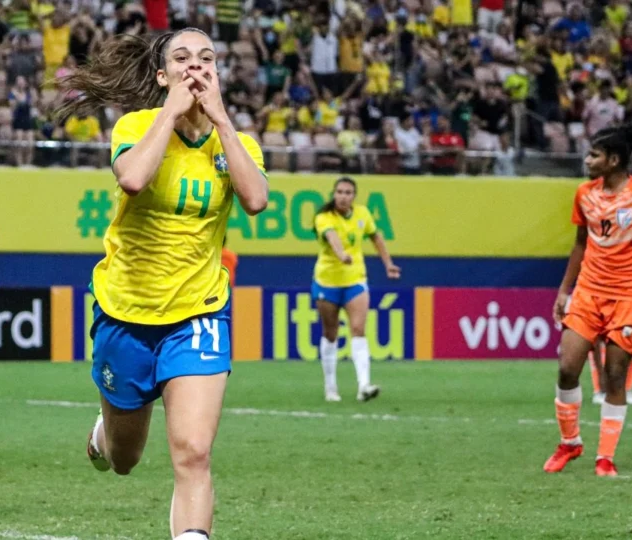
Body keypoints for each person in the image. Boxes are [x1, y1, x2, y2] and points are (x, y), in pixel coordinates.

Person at [57, 28, 268, 540]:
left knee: (193, 453)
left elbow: (256, 199)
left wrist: (220, 118)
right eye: (182, 58)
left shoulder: (235, 141)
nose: (195, 67)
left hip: (198, 313)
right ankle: (105, 433)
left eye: (206, 58)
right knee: (125, 458)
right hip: (126, 312)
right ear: (162, 75)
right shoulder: (138, 125)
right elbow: (132, 178)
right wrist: (172, 113)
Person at [547, 124, 632, 477]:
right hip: (589, 291)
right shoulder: (584, 194)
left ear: (613, 160)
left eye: (594, 155)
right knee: (567, 367)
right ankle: (570, 442)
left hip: (628, 294)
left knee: (615, 375)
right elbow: (580, 243)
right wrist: (565, 290)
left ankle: (604, 457)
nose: (587, 160)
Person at [313, 177, 401, 403]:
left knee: (358, 328)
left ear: (354, 196)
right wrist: (341, 255)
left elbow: (376, 237)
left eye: (348, 192)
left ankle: (364, 385)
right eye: (340, 192)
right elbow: (332, 237)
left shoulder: (362, 214)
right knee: (330, 333)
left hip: (355, 279)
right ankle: (330, 386)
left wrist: (388, 263)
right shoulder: (324, 217)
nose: (343, 196)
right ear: (334, 194)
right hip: (327, 281)